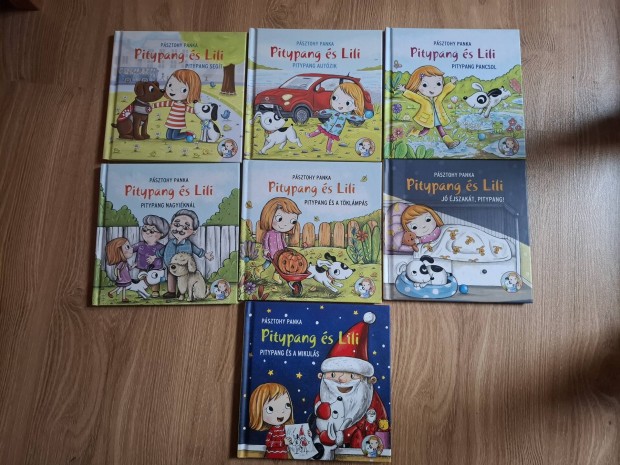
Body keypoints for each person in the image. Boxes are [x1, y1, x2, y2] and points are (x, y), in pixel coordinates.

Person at [312, 312, 389, 455]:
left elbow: (381, 424)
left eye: (352, 376)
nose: (341, 380)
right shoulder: (324, 395)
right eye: (333, 375)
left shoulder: (369, 400)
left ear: (367, 380)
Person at [397, 65, 460, 148]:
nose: (432, 89)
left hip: (438, 117)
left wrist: (451, 83)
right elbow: (414, 97)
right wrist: (405, 91)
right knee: (424, 132)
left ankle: (449, 143)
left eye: (438, 84)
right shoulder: (422, 99)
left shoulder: (439, 97)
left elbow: (445, 90)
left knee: (441, 130)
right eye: (425, 85)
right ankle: (414, 132)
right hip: (427, 118)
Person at [306, 83, 365, 154]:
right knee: (318, 131)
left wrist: (362, 118)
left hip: (335, 130)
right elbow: (326, 111)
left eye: (348, 103)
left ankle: (328, 150)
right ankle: (310, 135)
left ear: (356, 107)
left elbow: (354, 118)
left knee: (331, 140)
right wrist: (319, 112)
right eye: (335, 98)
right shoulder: (333, 111)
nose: (340, 104)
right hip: (327, 125)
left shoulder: (346, 115)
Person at [258, 197, 301, 284]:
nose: (285, 224)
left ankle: (276, 276)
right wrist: (266, 250)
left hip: (280, 252)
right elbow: (265, 241)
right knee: (268, 262)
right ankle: (259, 269)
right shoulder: (269, 233)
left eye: (292, 221)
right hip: (271, 252)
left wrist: (285, 248)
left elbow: (282, 241)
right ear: (269, 216)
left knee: (280, 265)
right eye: (279, 219)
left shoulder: (280, 233)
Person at [152, 69, 201, 140]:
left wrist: (199, 111)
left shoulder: (184, 106)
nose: (173, 90)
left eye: (183, 90)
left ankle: (187, 134)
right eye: (170, 85)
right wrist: (153, 106)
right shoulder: (172, 103)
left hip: (178, 124)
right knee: (168, 137)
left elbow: (192, 110)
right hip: (171, 122)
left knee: (174, 137)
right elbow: (163, 104)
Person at [249, 383, 294, 459]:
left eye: (287, 405)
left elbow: (293, 438)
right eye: (270, 409)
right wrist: (282, 443)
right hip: (272, 456)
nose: (281, 411)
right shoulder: (272, 431)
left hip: (284, 455)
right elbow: (268, 443)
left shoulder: (285, 429)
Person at [132, 215, 169, 297]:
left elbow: (165, 253)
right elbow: (131, 250)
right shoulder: (140, 245)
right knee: (142, 279)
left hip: (155, 267)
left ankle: (155, 291)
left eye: (152, 231)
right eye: (145, 229)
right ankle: (142, 290)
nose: (147, 232)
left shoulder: (161, 247)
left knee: (155, 280)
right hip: (142, 266)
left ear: (161, 234)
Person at [105, 237, 134, 302]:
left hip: (125, 278)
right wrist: (119, 276)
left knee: (123, 287)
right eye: (127, 247)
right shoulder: (121, 263)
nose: (132, 248)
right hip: (122, 278)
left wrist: (134, 266)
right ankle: (113, 293)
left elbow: (129, 268)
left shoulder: (125, 263)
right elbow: (117, 270)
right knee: (121, 287)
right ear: (119, 251)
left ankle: (122, 298)